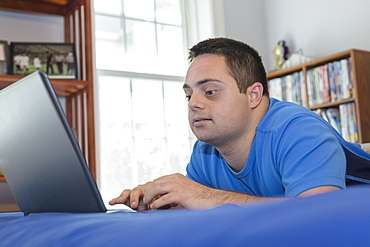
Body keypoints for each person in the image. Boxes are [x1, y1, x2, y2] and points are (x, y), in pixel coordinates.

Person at [109, 37, 370, 211]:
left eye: (209, 91)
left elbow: (319, 221)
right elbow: (198, 203)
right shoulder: (206, 151)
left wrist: (202, 196)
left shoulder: (299, 131)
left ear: (253, 95)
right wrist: (160, 200)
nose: (192, 104)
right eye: (189, 95)